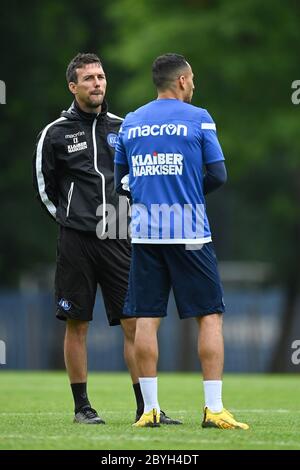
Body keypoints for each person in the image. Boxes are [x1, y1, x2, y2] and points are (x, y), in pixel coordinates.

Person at [33, 53, 181, 425]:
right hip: (76, 241)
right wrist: (70, 221)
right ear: (73, 86)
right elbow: (45, 187)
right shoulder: (55, 133)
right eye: (88, 79)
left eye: (101, 77)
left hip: (120, 238)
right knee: (77, 322)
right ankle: (82, 407)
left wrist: (130, 219)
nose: (97, 84)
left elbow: (139, 178)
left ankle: (146, 408)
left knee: (134, 323)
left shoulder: (125, 127)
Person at [115, 53, 249, 430]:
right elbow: (218, 174)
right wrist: (189, 191)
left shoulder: (130, 123)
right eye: (193, 79)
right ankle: (214, 409)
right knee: (208, 314)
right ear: (183, 81)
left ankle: (150, 409)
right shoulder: (199, 118)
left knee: (146, 316)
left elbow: (120, 184)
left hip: (145, 232)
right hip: (190, 232)